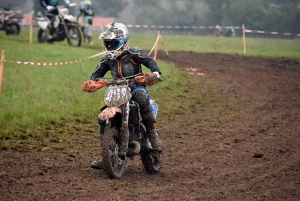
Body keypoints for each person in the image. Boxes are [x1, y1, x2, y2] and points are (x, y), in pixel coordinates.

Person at [81, 22, 162, 169]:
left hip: (136, 87)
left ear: (124, 41)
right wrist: (92, 82)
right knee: (102, 116)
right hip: (116, 90)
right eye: (108, 43)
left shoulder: (133, 53)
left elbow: (148, 61)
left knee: (141, 98)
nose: (111, 47)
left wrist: (155, 73)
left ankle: (151, 132)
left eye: (114, 43)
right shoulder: (107, 59)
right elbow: (97, 72)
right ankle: (106, 155)